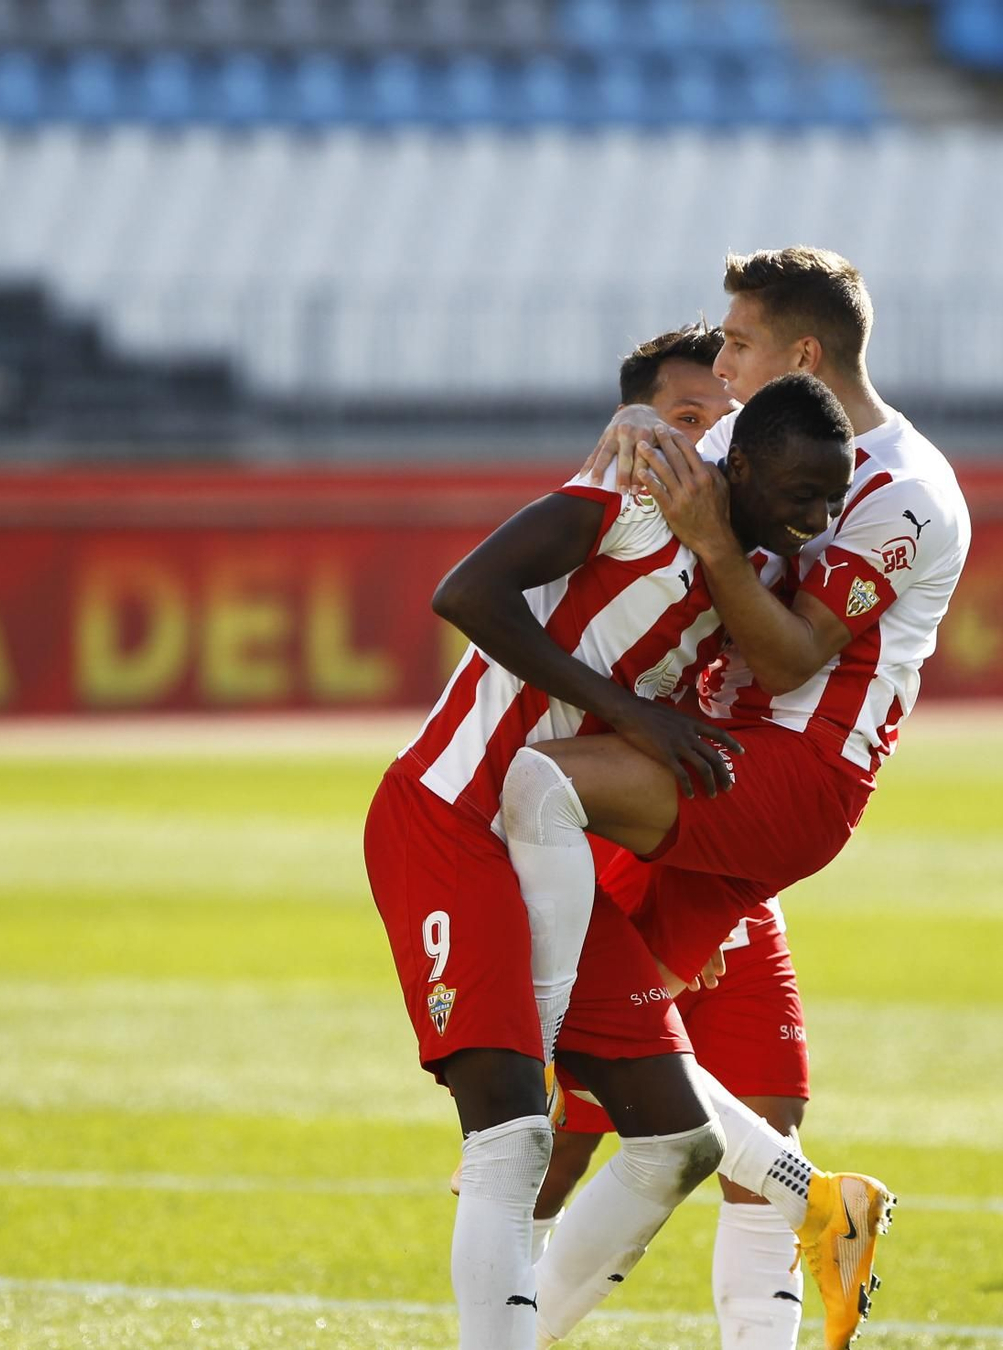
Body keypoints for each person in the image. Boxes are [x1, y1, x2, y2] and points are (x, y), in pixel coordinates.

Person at [500, 246, 972, 1350]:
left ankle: (501, 1321)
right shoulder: (738, 435)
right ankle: (812, 1203)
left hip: (783, 778)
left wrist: (709, 535)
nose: (722, 358)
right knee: (730, 1104)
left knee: (540, 821)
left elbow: (789, 662)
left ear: (802, 353)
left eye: (741, 341)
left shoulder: (906, 490)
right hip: (710, 765)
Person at [361, 367, 855, 1350]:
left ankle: (815, 1207)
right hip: (452, 817)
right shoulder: (636, 493)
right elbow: (465, 591)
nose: (819, 519)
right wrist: (634, 714)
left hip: (549, 849)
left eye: (833, 499)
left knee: (678, 1141)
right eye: (802, 495)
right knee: (511, 1139)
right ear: (743, 468)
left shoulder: (748, 579)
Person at [533, 323, 829, 1350]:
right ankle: (497, 1327)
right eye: (682, 421)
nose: (703, 446)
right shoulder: (596, 524)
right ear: (632, 427)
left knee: (762, 1140)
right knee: (565, 1150)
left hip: (730, 878)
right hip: (618, 864)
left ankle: (813, 1212)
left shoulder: (759, 552)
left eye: (723, 423)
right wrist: (601, 457)